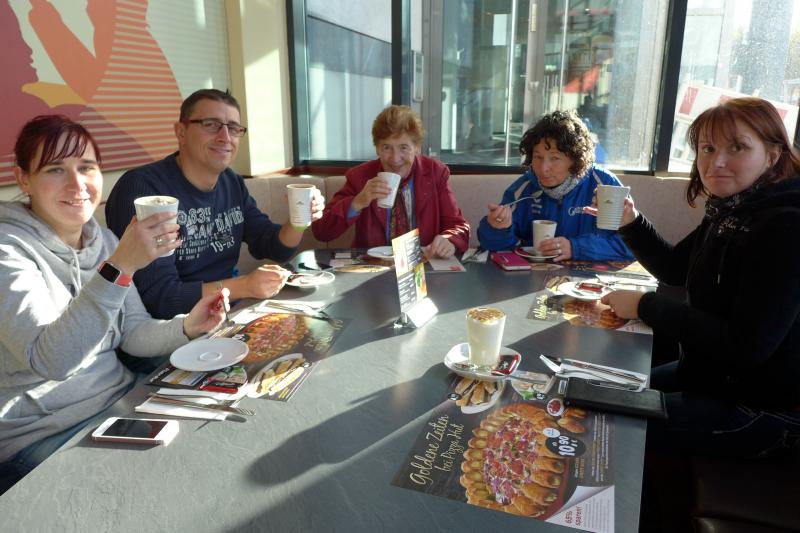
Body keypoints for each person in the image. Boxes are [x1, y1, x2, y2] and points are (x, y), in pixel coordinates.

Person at [0, 115, 227, 488]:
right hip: (40, 434)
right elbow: (51, 361)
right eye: (55, 169)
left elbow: (132, 332)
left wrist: (187, 326)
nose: (77, 184)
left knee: (211, 450)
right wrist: (120, 266)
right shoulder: (8, 250)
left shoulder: (103, 239)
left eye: (86, 167)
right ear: (24, 179)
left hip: (120, 401)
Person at [601, 97, 800, 457]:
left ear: (773, 156)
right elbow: (674, 268)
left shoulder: (786, 226)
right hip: (709, 376)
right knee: (598, 392)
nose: (716, 162)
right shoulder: (731, 211)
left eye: (737, 147)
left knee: (607, 426)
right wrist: (631, 222)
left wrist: (645, 306)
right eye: (707, 148)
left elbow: (746, 347)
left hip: (760, 405)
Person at [105, 89, 324, 319]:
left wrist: (300, 219)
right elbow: (160, 299)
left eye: (234, 128)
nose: (225, 137)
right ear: (181, 132)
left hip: (225, 315)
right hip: (170, 331)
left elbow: (273, 246)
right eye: (211, 125)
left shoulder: (232, 182)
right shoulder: (144, 190)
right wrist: (244, 286)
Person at [311, 105, 469, 258]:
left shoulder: (435, 173)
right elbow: (321, 231)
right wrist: (357, 202)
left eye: (404, 147)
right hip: (373, 265)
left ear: (417, 148)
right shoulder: (361, 176)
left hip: (422, 265)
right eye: (386, 147)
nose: (395, 158)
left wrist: (449, 240)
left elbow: (458, 226)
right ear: (377, 149)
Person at [477, 110, 632, 262]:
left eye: (555, 158)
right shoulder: (524, 188)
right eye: (538, 157)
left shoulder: (604, 185)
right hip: (535, 276)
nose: (543, 168)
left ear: (576, 159)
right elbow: (496, 246)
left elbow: (632, 245)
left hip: (593, 278)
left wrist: (575, 248)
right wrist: (496, 229)